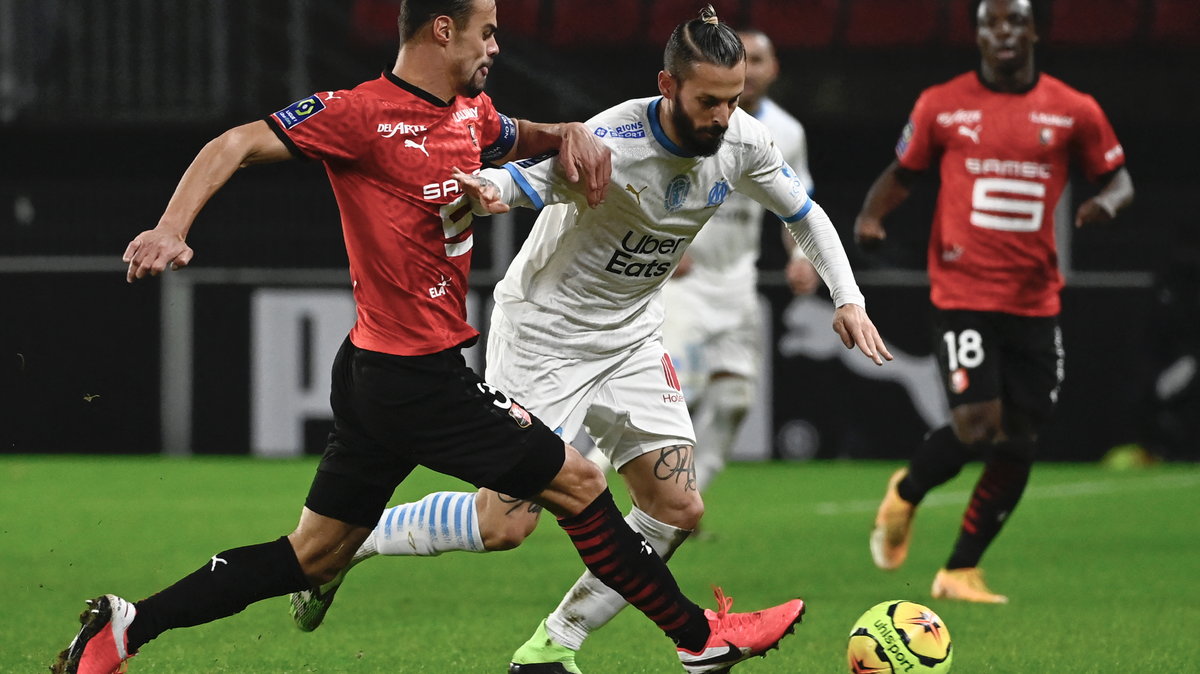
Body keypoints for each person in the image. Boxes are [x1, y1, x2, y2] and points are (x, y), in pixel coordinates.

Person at [49, 2, 808, 672]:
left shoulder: (468, 115)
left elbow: (525, 138)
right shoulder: (362, 115)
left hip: (380, 372)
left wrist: (570, 133)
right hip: (417, 379)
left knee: (311, 555)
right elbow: (238, 143)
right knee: (578, 482)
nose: (496, 48)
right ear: (442, 30)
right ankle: (698, 638)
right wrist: (170, 226)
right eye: (487, 32)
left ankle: (127, 626)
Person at [286, 7, 891, 674]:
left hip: (629, 335)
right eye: (708, 101)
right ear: (668, 86)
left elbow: (806, 216)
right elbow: (525, 182)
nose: (723, 117)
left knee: (678, 506)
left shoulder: (745, 142)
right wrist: (485, 186)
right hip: (545, 334)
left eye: (733, 100)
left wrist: (849, 298)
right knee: (505, 525)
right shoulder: (614, 138)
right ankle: (353, 542)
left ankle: (555, 644)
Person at [855, 0, 1133, 603]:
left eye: (1014, 21)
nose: (1002, 32)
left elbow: (1119, 177)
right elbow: (904, 169)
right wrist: (873, 215)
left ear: (1034, 30)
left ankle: (960, 570)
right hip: (963, 293)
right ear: (978, 35)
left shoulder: (1073, 108)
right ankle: (906, 493)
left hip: (1035, 298)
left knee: (1021, 437)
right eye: (990, 23)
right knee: (978, 425)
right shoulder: (942, 103)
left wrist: (1106, 203)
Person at [658, 27, 818, 493]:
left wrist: (801, 257)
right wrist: (667, 245)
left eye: (759, 60)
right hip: (682, 282)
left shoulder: (787, 133)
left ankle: (684, 503)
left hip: (737, 282)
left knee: (734, 400)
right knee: (670, 398)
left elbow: (795, 205)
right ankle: (596, 486)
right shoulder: (686, 117)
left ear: (771, 69)